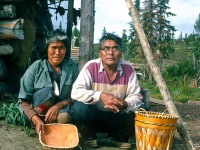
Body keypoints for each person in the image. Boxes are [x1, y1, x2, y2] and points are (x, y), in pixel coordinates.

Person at [70, 32, 145, 149]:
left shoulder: (128, 69)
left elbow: (136, 96)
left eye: (115, 49)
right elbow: (75, 92)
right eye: (106, 49)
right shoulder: (91, 66)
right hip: (93, 117)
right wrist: (100, 96)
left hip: (116, 115)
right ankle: (89, 136)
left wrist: (124, 103)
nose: (110, 53)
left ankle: (118, 138)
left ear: (120, 52)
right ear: (100, 52)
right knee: (78, 108)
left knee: (140, 109)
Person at [18, 34, 79, 134]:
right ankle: (39, 124)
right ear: (47, 49)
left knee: (64, 119)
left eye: (61, 48)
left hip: (61, 110)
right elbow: (24, 100)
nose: (57, 52)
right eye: (54, 48)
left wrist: (58, 106)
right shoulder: (36, 67)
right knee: (47, 93)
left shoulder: (71, 66)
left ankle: (51, 127)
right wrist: (35, 119)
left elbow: (76, 95)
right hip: (35, 112)